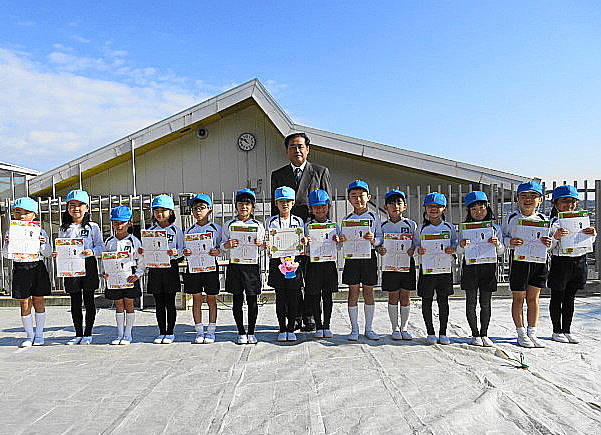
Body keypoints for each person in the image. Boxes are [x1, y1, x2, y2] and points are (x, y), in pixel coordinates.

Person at [271, 132, 333, 332]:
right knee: (293, 275)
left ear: (307, 149)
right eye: (292, 146)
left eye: (300, 146)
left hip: (314, 234)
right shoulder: (278, 174)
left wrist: (324, 231)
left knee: (313, 278)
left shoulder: (320, 172)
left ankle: (310, 316)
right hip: (289, 236)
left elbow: (327, 204)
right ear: (286, 150)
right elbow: (275, 208)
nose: (296, 150)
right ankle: (295, 316)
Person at [502, 181, 553, 348]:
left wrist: (549, 242)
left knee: (533, 298)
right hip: (519, 262)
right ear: (517, 199)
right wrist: (510, 242)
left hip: (539, 262)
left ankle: (532, 332)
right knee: (518, 298)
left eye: (533, 196)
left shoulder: (544, 219)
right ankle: (521, 333)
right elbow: (502, 238)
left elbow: (551, 243)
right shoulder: (511, 218)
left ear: (540, 200)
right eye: (524, 196)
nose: (528, 199)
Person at [53, 189, 103, 345]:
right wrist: (58, 253)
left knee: (89, 300)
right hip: (71, 267)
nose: (76, 208)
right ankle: (78, 334)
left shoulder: (93, 227)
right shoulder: (64, 228)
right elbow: (61, 247)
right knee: (75, 301)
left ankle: (88, 333)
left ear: (87, 207)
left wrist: (92, 252)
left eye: (80, 205)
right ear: (67, 208)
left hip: (88, 265)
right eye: (72, 205)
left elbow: (101, 247)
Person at [548, 185, 596, 344]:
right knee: (557, 297)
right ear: (555, 203)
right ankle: (557, 330)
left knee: (570, 297)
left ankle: (567, 329)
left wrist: (592, 235)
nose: (569, 205)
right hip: (561, 262)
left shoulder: (581, 220)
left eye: (573, 201)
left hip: (579, 261)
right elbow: (547, 247)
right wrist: (556, 237)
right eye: (564, 201)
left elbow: (587, 242)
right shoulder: (553, 223)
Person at [4, 197, 52, 347]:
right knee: (24, 302)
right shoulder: (11, 231)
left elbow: (48, 253)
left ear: (34, 214)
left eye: (26, 213)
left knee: (39, 300)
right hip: (20, 268)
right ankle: (29, 335)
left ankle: (39, 335)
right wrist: (7, 244)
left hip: (37, 267)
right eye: (18, 212)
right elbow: (6, 255)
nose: (22, 216)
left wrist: (43, 244)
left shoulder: (40, 231)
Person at [458, 191, 504, 347]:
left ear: (487, 208)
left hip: (488, 267)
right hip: (470, 267)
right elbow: (458, 251)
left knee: (486, 303)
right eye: (474, 209)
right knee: (471, 302)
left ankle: (484, 333)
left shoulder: (495, 228)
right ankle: (475, 334)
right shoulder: (464, 228)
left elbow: (501, 252)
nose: (478, 212)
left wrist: (497, 244)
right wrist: (462, 245)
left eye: (481, 208)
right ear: (469, 211)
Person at [221, 189, 267, 345]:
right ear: (236, 206)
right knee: (237, 299)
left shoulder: (258, 225)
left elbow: (264, 247)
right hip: (235, 266)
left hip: (251, 266)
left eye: (247, 204)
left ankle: (251, 332)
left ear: (253, 207)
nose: (244, 207)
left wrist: (261, 244)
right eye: (240, 204)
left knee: (252, 300)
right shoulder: (229, 224)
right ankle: (241, 331)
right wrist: (226, 245)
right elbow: (222, 245)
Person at [340, 180, 383, 341]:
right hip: (352, 259)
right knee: (353, 292)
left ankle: (369, 328)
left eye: (361, 195)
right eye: (354, 196)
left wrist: (373, 240)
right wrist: (342, 239)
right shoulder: (347, 219)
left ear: (368, 197)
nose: (358, 199)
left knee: (368, 292)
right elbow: (341, 241)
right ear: (349, 199)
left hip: (368, 258)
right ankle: (354, 329)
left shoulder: (374, 217)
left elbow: (380, 238)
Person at [415, 192, 458, 345]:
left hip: (444, 270)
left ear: (444, 209)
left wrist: (453, 248)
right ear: (425, 208)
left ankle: (443, 332)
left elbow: (455, 243)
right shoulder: (420, 228)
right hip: (427, 270)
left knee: (443, 301)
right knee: (426, 301)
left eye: (438, 206)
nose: (434, 209)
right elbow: (415, 245)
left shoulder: (449, 227)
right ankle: (430, 332)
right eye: (430, 206)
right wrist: (418, 250)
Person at [266, 187, 305, 342]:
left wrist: (303, 242)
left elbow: (302, 241)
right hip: (277, 262)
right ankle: (282, 328)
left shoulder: (298, 221)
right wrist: (267, 244)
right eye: (281, 201)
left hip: (294, 262)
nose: (285, 204)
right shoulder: (271, 221)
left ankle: (291, 328)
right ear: (276, 203)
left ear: (293, 202)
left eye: (288, 201)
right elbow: (268, 241)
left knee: (293, 296)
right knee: (280, 296)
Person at [144, 195, 184, 345]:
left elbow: (183, 250)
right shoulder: (150, 230)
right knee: (158, 303)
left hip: (170, 269)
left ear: (171, 212)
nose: (159, 214)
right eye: (156, 211)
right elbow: (146, 251)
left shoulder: (176, 230)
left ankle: (170, 332)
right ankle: (161, 331)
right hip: (155, 269)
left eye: (163, 210)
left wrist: (176, 253)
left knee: (170, 302)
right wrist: (143, 251)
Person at [377, 189, 416, 340]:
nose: (395, 206)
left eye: (399, 203)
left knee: (405, 295)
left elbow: (417, 243)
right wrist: (379, 249)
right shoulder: (383, 226)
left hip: (407, 264)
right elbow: (378, 244)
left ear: (405, 206)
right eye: (391, 203)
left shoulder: (411, 224)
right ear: (385, 207)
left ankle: (404, 328)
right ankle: (395, 328)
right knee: (393, 295)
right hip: (390, 265)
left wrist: (413, 249)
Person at [182, 193, 222, 344]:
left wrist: (218, 251)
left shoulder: (216, 228)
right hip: (194, 268)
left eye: (202, 208)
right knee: (196, 299)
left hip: (210, 268)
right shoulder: (189, 230)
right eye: (195, 208)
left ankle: (211, 331)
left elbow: (222, 246)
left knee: (211, 298)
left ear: (209, 210)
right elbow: (184, 249)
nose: (198, 211)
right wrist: (185, 252)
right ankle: (199, 331)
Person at [303, 189, 342, 338]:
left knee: (328, 295)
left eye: (323, 206)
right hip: (313, 264)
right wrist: (305, 242)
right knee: (314, 295)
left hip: (329, 264)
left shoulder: (334, 226)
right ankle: (318, 325)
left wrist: (338, 240)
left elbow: (339, 247)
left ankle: (327, 325)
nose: (320, 210)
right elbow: (303, 249)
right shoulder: (307, 226)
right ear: (311, 209)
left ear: (328, 207)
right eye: (316, 207)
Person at [102, 206, 143, 345]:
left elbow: (141, 260)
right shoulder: (109, 241)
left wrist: (138, 274)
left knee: (129, 304)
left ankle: (128, 334)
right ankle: (119, 334)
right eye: (116, 222)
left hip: (129, 276)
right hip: (114, 278)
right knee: (118, 304)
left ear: (129, 223)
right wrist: (105, 273)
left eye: (122, 222)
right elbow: (105, 260)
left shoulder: (134, 241)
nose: (119, 226)